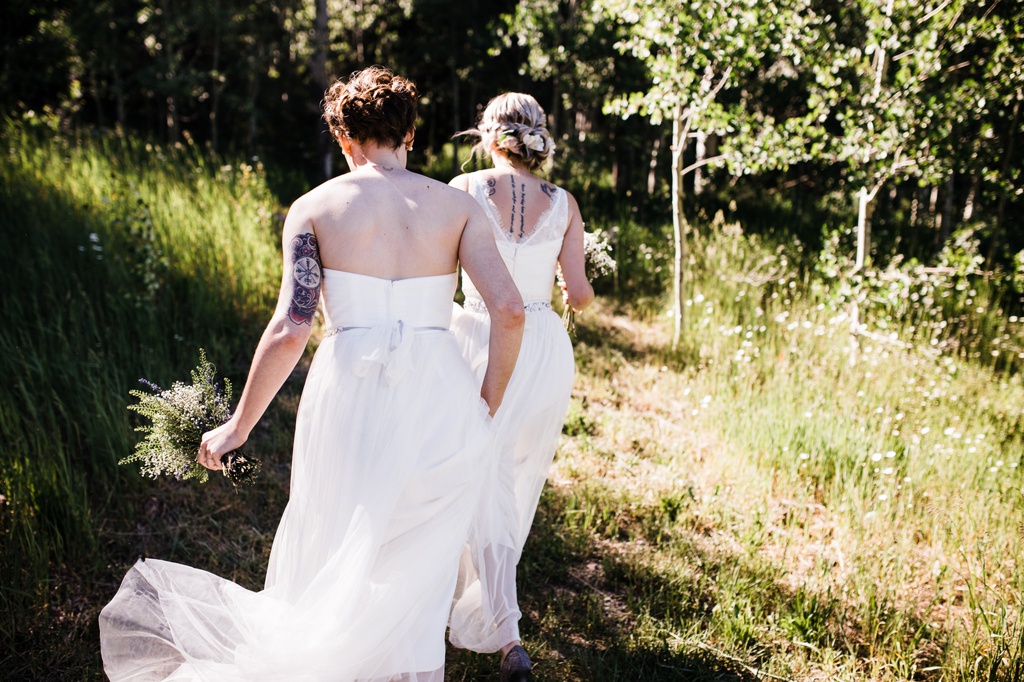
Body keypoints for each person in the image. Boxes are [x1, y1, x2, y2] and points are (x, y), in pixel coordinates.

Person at [98, 66, 525, 682]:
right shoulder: (457, 208)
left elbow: (292, 327)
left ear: (345, 140)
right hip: (442, 394)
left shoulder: (314, 208)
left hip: (349, 390)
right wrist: (484, 405)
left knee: (341, 534)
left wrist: (238, 425)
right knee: (421, 550)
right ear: (410, 133)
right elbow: (510, 311)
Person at [446, 93, 594, 681]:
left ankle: (500, 626)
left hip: (479, 336)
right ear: (538, 140)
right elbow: (578, 294)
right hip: (542, 348)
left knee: (485, 472)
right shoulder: (565, 204)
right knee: (497, 471)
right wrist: (575, 273)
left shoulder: (464, 188)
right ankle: (497, 622)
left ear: (489, 136)